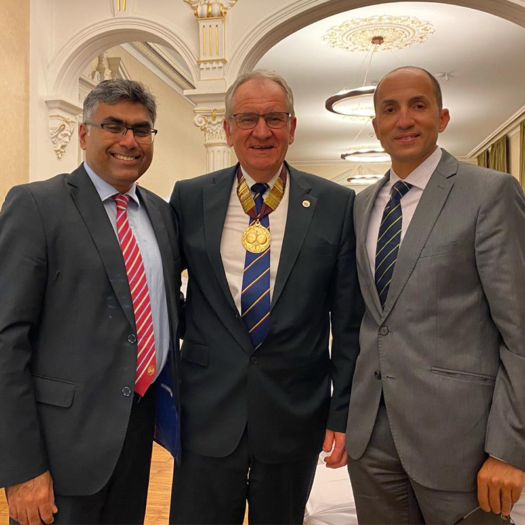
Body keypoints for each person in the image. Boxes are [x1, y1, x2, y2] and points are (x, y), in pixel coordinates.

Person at [169, 69, 362, 525]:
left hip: (294, 410)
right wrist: (197, 333)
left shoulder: (336, 204)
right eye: (248, 118)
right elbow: (162, 287)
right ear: (227, 129)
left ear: (292, 128)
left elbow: (348, 321)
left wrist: (342, 411)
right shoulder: (190, 198)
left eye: (274, 118)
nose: (261, 131)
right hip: (207, 409)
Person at [345, 65, 525, 524]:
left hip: (461, 443)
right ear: (376, 126)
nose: (404, 120)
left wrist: (509, 447)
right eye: (390, 109)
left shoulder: (489, 193)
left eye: (418, 105)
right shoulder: (362, 205)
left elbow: (520, 332)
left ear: (442, 117)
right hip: (372, 440)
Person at [0, 79, 181, 525]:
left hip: (136, 433)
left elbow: (162, 306)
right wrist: (21, 468)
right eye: (113, 126)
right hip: (59, 448)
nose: (128, 141)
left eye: (141, 129)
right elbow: (6, 340)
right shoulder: (37, 206)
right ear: (83, 134)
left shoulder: (161, 214)